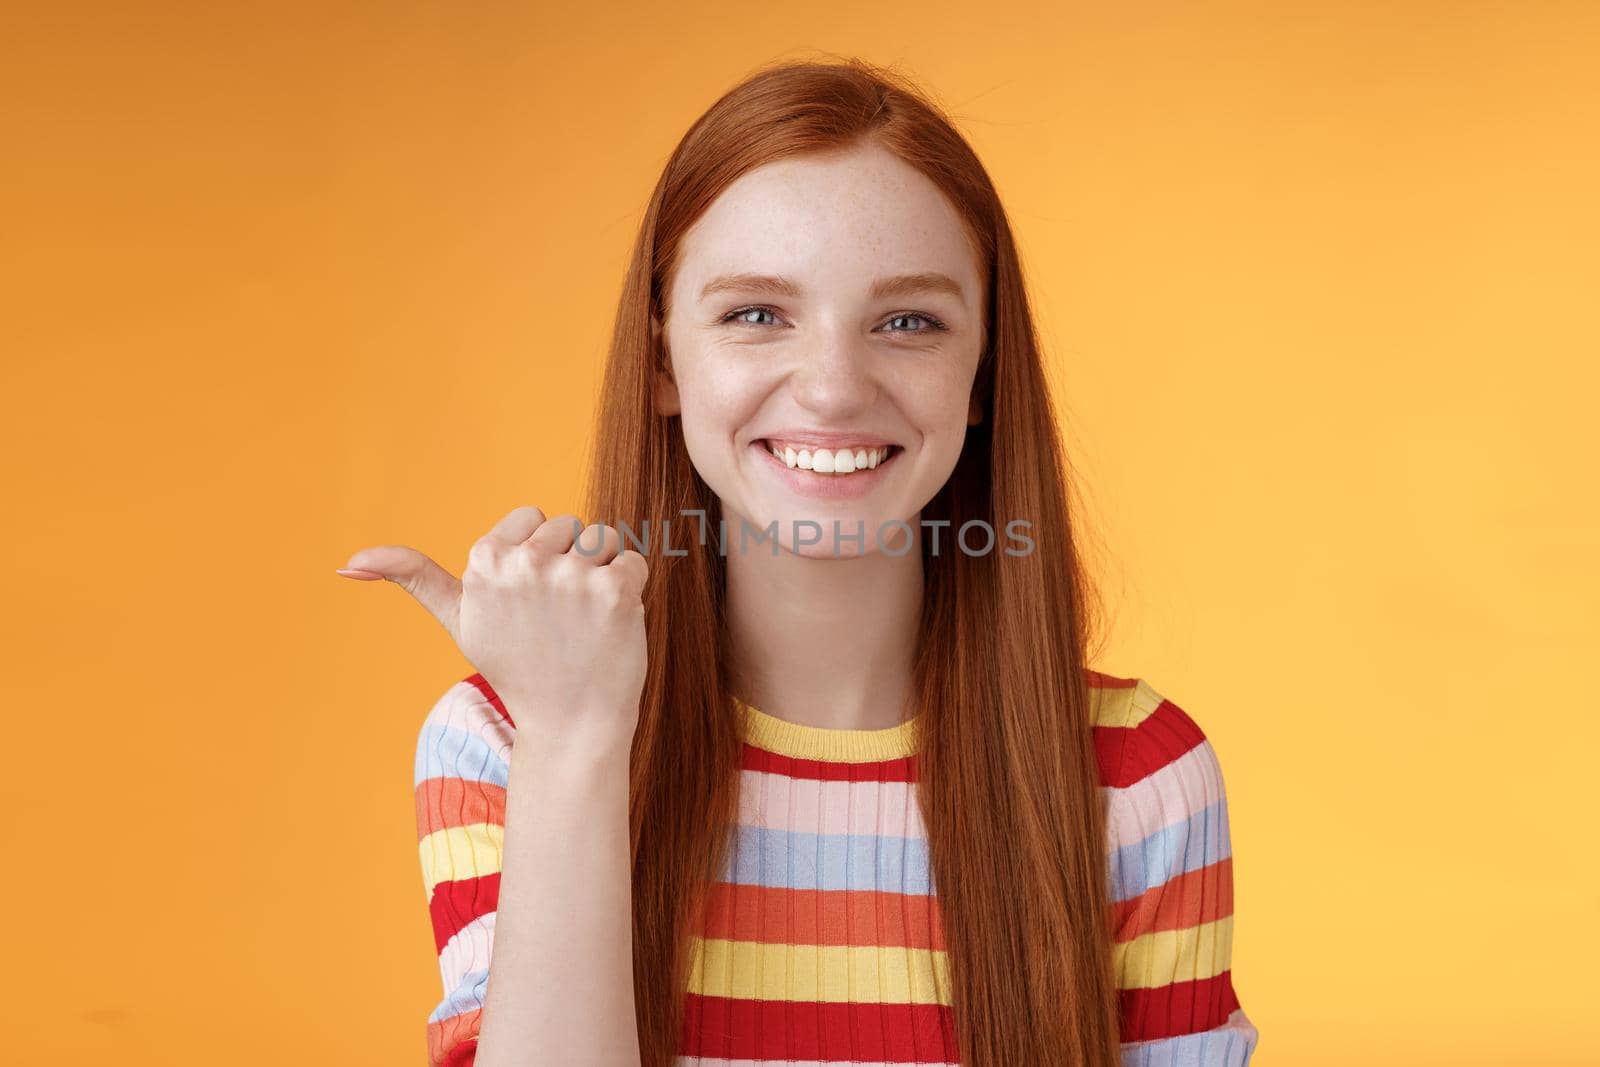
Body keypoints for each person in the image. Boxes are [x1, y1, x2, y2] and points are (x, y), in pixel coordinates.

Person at [340, 57, 1259, 1067]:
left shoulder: (1137, 778)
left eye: (907, 321)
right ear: (661, 364)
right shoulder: (506, 739)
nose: (830, 388)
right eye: (755, 314)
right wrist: (573, 736)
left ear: (982, 372)